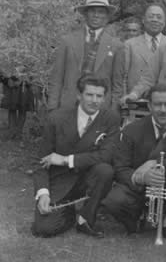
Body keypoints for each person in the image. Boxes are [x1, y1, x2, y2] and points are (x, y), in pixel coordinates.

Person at [102, 84, 166, 237]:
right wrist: (142, 177)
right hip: (141, 189)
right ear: (149, 106)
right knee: (113, 200)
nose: (162, 109)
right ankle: (134, 224)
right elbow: (120, 168)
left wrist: (157, 163)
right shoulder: (132, 130)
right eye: (157, 104)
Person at [32, 75, 120, 238]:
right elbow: (41, 160)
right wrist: (43, 193)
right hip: (61, 178)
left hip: (89, 177)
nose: (94, 100)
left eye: (99, 96)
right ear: (79, 95)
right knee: (43, 229)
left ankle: (85, 218)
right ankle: (68, 213)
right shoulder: (56, 118)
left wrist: (66, 159)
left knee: (105, 170)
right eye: (89, 95)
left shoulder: (111, 119)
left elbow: (106, 155)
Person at [48, 0, 124, 111]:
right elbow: (56, 78)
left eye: (100, 12)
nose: (96, 15)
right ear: (85, 14)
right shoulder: (67, 41)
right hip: (69, 107)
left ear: (107, 16)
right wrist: (52, 108)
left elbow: (117, 85)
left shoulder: (116, 46)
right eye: (92, 11)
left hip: (101, 110)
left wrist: (113, 113)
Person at [117, 3, 166, 95]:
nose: (155, 20)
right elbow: (123, 78)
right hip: (136, 103)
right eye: (151, 16)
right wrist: (124, 103)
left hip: (165, 102)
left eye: (159, 17)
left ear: (164, 22)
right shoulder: (130, 45)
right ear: (143, 20)